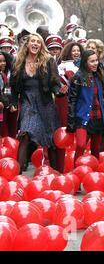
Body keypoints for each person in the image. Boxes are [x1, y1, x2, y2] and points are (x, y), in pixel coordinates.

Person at [10, 33, 68, 173]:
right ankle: (17, 174)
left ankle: (55, 174)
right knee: (25, 133)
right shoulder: (18, 61)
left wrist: (60, 91)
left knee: (51, 139)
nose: (35, 44)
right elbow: (14, 87)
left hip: (46, 103)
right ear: (27, 44)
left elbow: (54, 83)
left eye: (38, 42)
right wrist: (13, 102)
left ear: (41, 46)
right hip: (27, 102)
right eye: (33, 41)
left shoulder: (48, 61)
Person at [67, 50, 104, 162]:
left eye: (96, 60)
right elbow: (72, 100)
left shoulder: (98, 77)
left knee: (96, 149)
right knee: (81, 146)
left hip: (98, 117)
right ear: (85, 62)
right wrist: (71, 121)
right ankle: (77, 170)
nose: (95, 63)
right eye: (92, 61)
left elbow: (99, 98)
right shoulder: (78, 77)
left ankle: (95, 174)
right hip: (83, 118)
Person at [0, 51, 14, 137]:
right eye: (0, 61)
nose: (3, 63)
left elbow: (6, 91)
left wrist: (10, 102)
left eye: (4, 61)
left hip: (4, 108)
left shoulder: (4, 75)